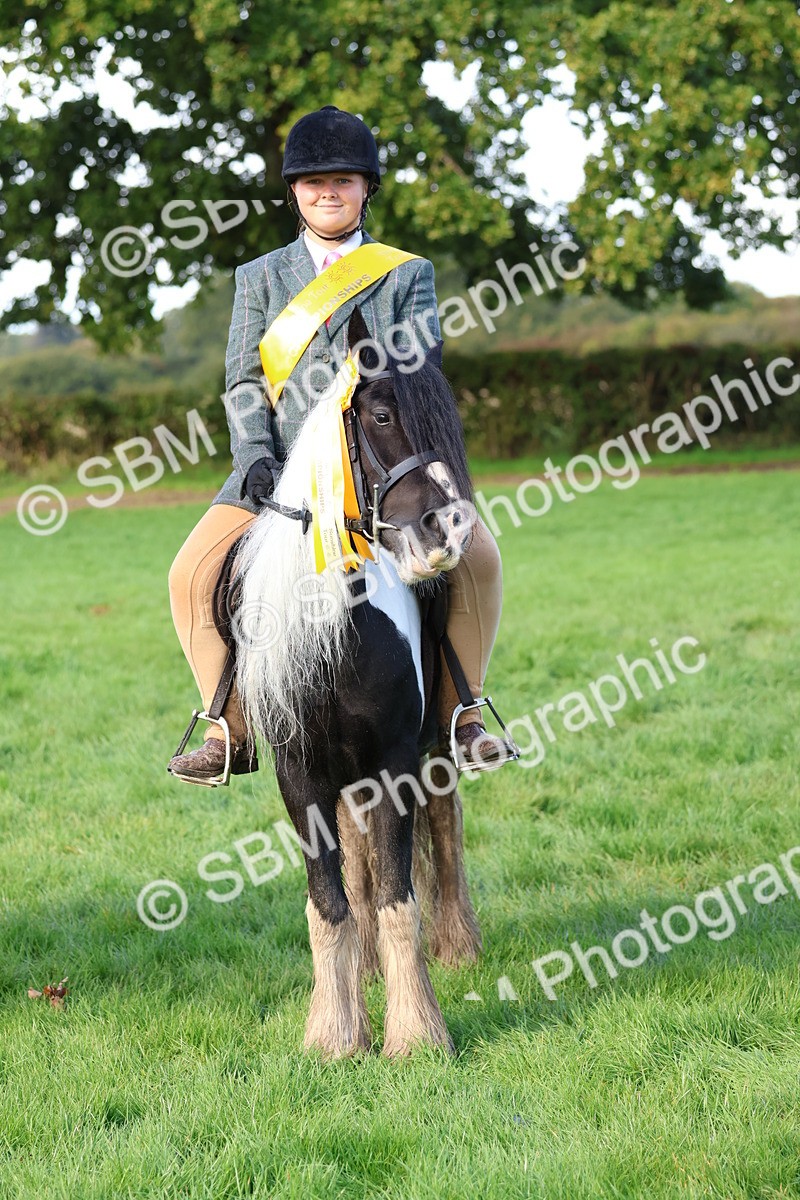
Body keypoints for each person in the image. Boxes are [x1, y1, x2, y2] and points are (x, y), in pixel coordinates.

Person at [167, 105, 514, 784]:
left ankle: (462, 714)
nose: (329, 190)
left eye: (344, 179)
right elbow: (243, 381)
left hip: (379, 465)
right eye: (314, 180)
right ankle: (227, 726)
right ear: (295, 191)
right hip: (278, 473)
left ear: (366, 189)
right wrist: (255, 458)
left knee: (478, 560)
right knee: (189, 575)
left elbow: (419, 368)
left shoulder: (406, 273)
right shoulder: (259, 279)